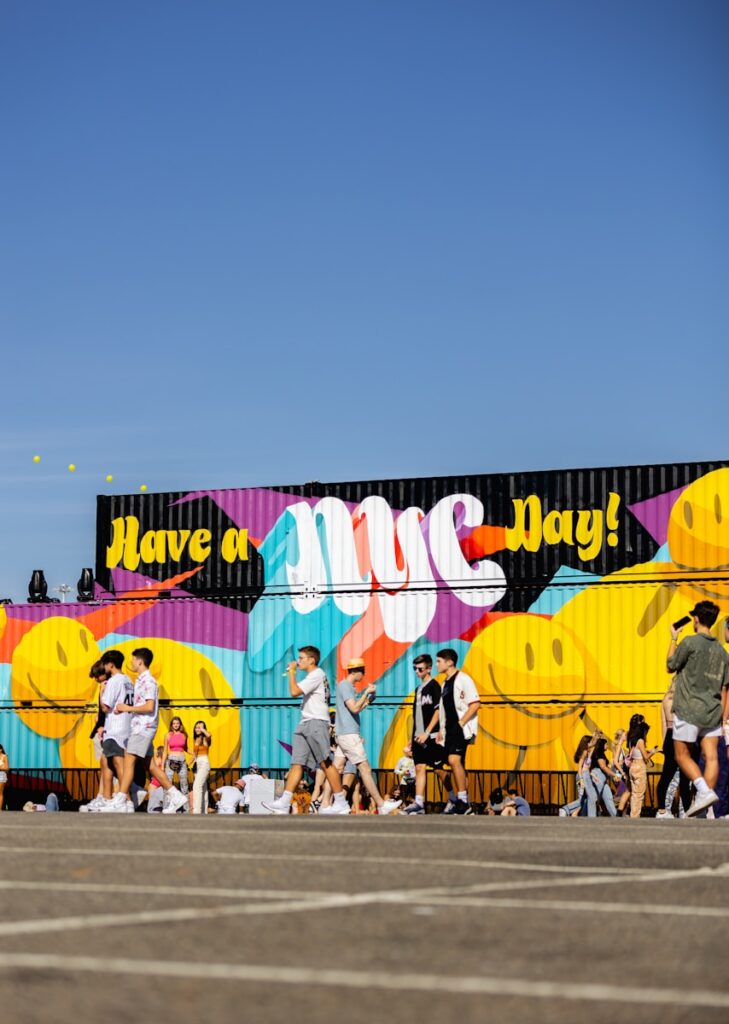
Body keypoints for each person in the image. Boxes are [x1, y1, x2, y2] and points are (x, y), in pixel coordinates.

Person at [263, 646, 350, 815]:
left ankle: (341, 802)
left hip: (316, 722)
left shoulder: (317, 674)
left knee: (325, 762)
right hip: (306, 722)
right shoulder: (313, 676)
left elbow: (294, 691)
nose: (298, 661)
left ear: (311, 660)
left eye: (301, 658)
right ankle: (284, 801)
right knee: (297, 763)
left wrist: (292, 672)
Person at [102, 647, 186, 814]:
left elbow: (149, 706)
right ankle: (176, 795)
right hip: (141, 726)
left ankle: (119, 799)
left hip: (143, 728)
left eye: (133, 660)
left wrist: (127, 707)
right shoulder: (140, 680)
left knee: (128, 760)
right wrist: (127, 709)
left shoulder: (148, 681)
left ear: (140, 661)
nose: (131, 662)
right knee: (152, 767)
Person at [667, 601, 729, 817]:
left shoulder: (690, 642)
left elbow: (670, 665)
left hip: (688, 709)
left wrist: (673, 638)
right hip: (713, 711)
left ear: (695, 619)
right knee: (712, 757)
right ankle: (708, 805)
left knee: (681, 754)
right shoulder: (722, 652)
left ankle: (703, 791)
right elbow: (724, 687)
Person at [329, 658, 401, 817]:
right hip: (349, 734)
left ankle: (326, 804)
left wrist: (368, 700)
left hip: (344, 734)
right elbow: (354, 708)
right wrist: (366, 693)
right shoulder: (346, 686)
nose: (364, 675)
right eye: (364, 672)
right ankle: (382, 805)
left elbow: (355, 708)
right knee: (365, 769)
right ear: (356, 671)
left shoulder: (345, 686)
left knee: (336, 769)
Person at [435, 648, 480, 815]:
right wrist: (441, 729)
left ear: (449, 662)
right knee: (456, 764)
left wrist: (461, 723)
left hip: (461, 728)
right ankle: (464, 804)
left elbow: (475, 703)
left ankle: (461, 801)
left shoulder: (464, 679)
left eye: (439, 661)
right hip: (448, 730)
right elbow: (444, 710)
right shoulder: (445, 684)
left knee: (454, 760)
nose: (437, 664)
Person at [401, 654, 444, 815]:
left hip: (431, 736)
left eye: (420, 669)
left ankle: (455, 796)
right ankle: (419, 802)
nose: (417, 672)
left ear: (428, 669)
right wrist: (412, 738)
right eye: (415, 669)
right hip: (418, 736)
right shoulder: (418, 690)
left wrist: (427, 732)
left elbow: (438, 711)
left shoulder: (434, 686)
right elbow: (417, 715)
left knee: (438, 768)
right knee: (419, 767)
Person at [655, 677, 692, 818]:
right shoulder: (683, 698)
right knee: (684, 778)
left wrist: (665, 743)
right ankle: (688, 811)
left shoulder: (665, 699)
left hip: (669, 737)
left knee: (666, 776)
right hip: (681, 735)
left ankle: (661, 810)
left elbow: (664, 724)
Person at [626, 714, 659, 818]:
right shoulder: (640, 741)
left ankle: (633, 814)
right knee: (639, 795)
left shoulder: (631, 740)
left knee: (634, 794)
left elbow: (636, 753)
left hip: (632, 767)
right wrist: (654, 751)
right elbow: (645, 757)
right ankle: (635, 816)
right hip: (640, 767)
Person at [587, 731, 618, 817]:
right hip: (598, 776)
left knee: (608, 798)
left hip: (603, 779)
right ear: (602, 745)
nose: (607, 746)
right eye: (606, 744)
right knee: (594, 798)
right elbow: (603, 767)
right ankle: (588, 815)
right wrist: (614, 775)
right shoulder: (599, 754)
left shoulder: (601, 754)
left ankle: (616, 816)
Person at [164, 716, 190, 802]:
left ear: (180, 724)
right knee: (168, 783)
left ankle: (186, 809)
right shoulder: (168, 735)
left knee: (184, 785)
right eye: (174, 723)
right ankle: (166, 806)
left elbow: (186, 748)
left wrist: (194, 754)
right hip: (171, 759)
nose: (176, 725)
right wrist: (162, 766)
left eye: (177, 723)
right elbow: (165, 751)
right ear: (171, 725)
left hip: (182, 759)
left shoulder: (184, 735)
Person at [191, 721, 212, 815]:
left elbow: (209, 735)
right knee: (203, 788)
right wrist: (189, 763)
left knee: (196, 786)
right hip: (198, 764)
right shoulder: (196, 739)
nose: (197, 729)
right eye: (196, 727)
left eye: (200, 727)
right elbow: (195, 755)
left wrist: (203, 729)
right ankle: (203, 811)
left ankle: (197, 811)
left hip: (204, 763)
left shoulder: (205, 739)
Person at [146, 747, 166, 812]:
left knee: (151, 799)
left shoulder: (157, 761)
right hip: (162, 782)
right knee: (160, 799)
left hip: (155, 782)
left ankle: (150, 810)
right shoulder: (164, 762)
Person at [0, 743, 8, 811]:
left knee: (0, 793)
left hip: (1, 776)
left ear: (0, 749)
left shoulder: (4, 756)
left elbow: (7, 768)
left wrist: (0, 768)